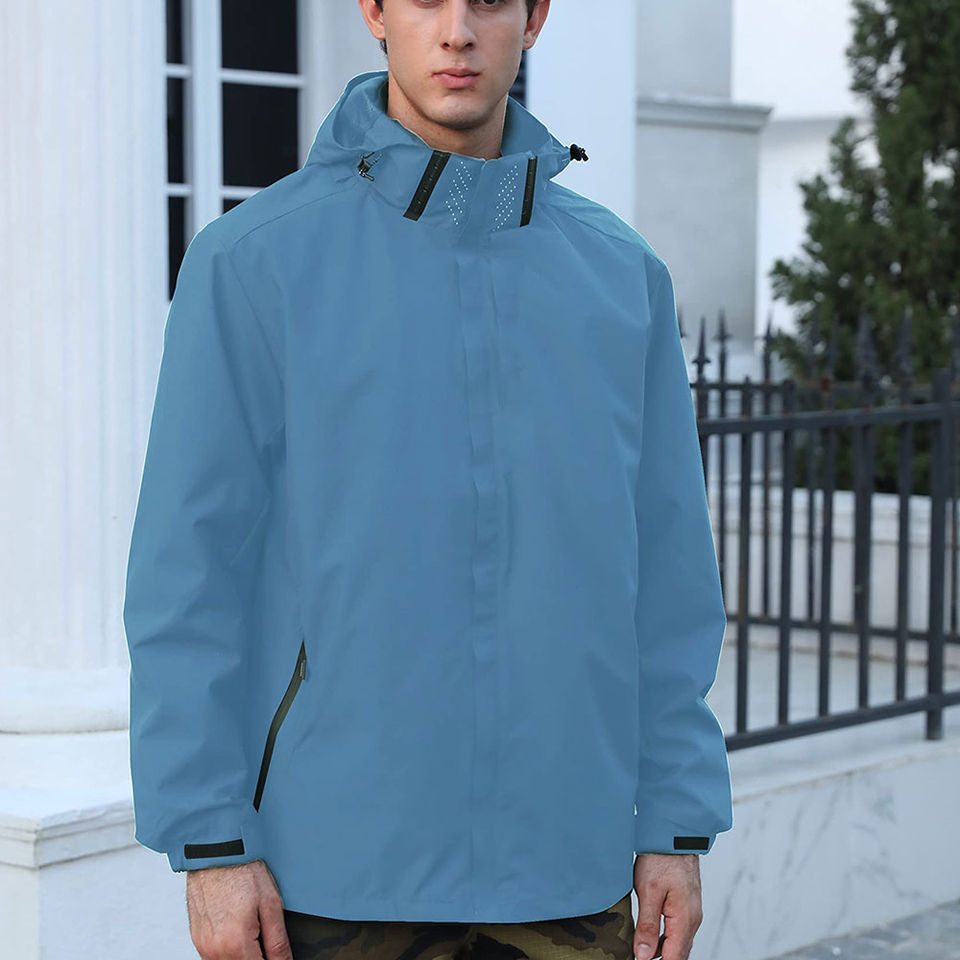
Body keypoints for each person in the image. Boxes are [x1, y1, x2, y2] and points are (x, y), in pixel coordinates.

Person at [122, 1, 734, 958]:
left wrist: (675, 820)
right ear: (374, 9)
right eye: (424, 0)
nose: (457, 31)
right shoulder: (253, 262)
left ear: (533, 17)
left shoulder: (624, 279)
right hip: (333, 873)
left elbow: (671, 582)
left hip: (567, 867)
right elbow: (187, 577)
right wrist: (209, 841)